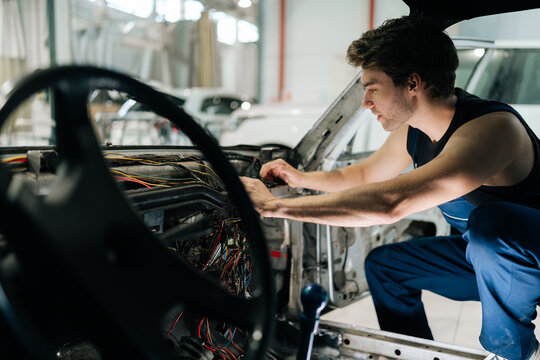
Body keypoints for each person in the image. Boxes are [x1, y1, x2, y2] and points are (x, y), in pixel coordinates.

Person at [240, 16, 540, 360]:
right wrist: (299, 179)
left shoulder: (492, 129)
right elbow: (368, 174)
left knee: (492, 224)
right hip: (484, 259)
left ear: (413, 83)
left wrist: (273, 207)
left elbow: (390, 204)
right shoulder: (413, 130)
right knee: (386, 267)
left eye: (372, 88)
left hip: (524, 256)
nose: (366, 102)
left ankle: (516, 351)